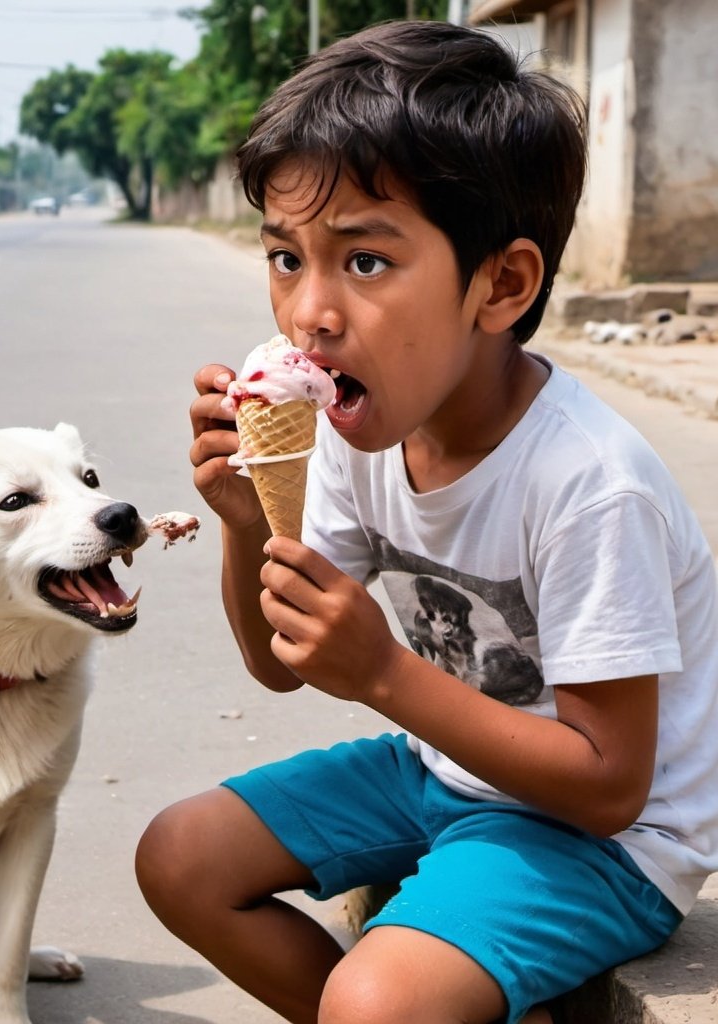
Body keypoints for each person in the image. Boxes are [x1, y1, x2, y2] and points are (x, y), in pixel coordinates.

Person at [135, 19, 718, 1024]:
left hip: (603, 843)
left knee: (372, 1004)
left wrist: (385, 676)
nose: (307, 312)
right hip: (445, 773)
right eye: (284, 257)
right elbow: (279, 663)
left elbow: (610, 783)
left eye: (363, 263)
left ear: (502, 283)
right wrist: (244, 523)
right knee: (178, 856)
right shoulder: (362, 433)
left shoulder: (586, 482)